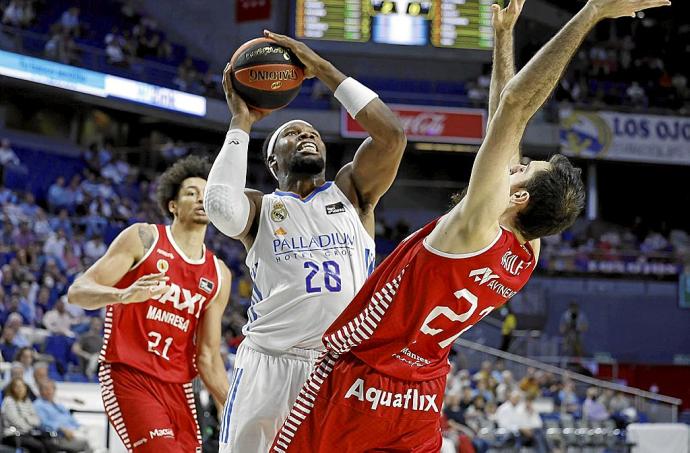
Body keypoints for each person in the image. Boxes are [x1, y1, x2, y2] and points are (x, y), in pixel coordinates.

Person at [269, 0, 670, 450]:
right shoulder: (525, 254)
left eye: (521, 171)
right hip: (421, 394)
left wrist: (590, 12)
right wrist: (502, 38)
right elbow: (505, 120)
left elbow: (515, 108)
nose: (511, 168)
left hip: (362, 374)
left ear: (517, 197)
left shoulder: (476, 226)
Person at [205, 30, 406, 452]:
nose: (307, 135)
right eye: (293, 134)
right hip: (270, 364)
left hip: (338, 365)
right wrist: (241, 123)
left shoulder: (351, 192)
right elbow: (221, 209)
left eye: (312, 133)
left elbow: (392, 137)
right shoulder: (260, 208)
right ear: (272, 160)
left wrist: (323, 70)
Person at [67, 156, 232, 453]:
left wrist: (232, 403)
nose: (200, 199)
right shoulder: (144, 238)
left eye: (206, 194)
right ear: (173, 205)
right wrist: (122, 294)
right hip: (129, 373)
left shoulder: (219, 274)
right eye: (191, 193)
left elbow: (207, 356)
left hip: (178, 386)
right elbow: (78, 291)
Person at [33, 380, 92, 453]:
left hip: (74, 431)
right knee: (88, 442)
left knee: (95, 432)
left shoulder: (59, 404)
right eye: (46, 389)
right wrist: (61, 429)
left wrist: (81, 427)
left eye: (51, 389)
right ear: (40, 391)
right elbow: (42, 423)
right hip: (59, 436)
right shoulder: (38, 405)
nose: (49, 391)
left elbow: (72, 420)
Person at [1, 378, 57, 453]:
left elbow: (37, 420)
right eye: (17, 387)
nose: (20, 389)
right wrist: (29, 424)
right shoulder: (8, 401)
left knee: (49, 444)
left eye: (22, 386)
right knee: (38, 446)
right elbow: (16, 421)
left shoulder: (27, 401)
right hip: (13, 435)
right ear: (12, 389)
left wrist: (25, 418)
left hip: (28, 433)